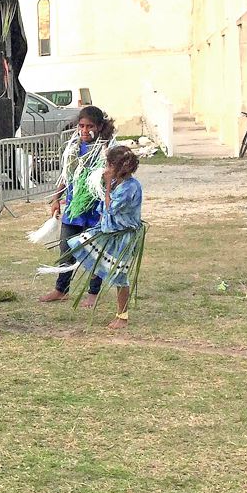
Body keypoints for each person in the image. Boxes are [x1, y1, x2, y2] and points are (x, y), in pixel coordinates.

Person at [38, 105, 115, 307]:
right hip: (74, 209)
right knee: (66, 249)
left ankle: (93, 292)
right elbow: (66, 175)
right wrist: (56, 198)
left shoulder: (107, 150)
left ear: (99, 127)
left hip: (96, 209)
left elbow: (112, 179)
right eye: (81, 125)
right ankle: (61, 289)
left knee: (94, 251)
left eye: (89, 126)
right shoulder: (73, 148)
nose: (84, 130)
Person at [62, 145, 146, 329]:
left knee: (120, 275)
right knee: (79, 245)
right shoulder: (118, 183)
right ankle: (95, 289)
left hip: (122, 237)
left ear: (117, 167)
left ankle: (122, 316)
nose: (106, 169)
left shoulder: (130, 187)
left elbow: (110, 207)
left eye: (108, 166)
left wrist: (107, 185)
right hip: (108, 232)